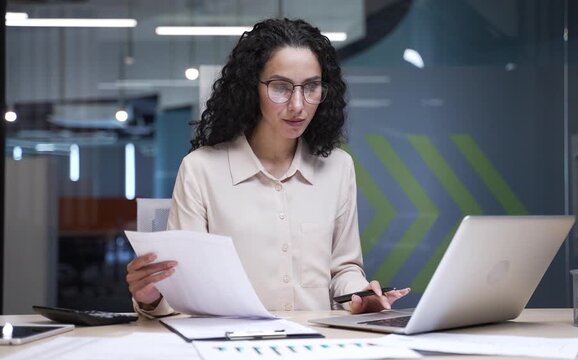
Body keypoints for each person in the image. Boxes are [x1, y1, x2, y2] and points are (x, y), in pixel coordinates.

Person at [126, 18, 410, 317]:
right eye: (281, 87)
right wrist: (151, 297)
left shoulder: (338, 167)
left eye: (311, 87)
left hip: (316, 345)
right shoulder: (201, 170)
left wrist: (360, 296)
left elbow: (344, 269)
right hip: (229, 346)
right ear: (251, 88)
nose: (298, 105)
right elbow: (184, 291)